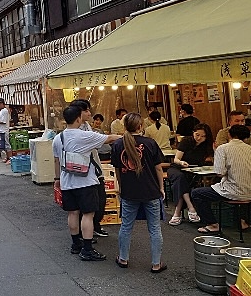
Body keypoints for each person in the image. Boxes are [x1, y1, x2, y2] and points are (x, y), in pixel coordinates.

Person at [52, 105, 120, 261]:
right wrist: (129, 136)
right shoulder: (84, 136)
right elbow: (109, 139)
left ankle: (76, 244)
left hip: (67, 181)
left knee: (73, 213)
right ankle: (87, 249)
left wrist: (57, 180)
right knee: (88, 215)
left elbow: (56, 160)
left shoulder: (58, 138)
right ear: (78, 118)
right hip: (85, 182)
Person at [110, 113, 166, 273]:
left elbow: (118, 170)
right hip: (151, 191)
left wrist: (121, 187)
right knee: (154, 228)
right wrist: (161, 188)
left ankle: (123, 258)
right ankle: (156, 263)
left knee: (126, 227)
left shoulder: (118, 145)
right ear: (140, 126)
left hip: (129, 192)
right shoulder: (150, 143)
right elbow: (158, 168)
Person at [191, 125, 251, 234]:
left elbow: (219, 172)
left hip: (234, 192)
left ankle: (212, 224)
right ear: (247, 138)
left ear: (229, 134)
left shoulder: (223, 148)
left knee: (197, 193)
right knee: (241, 189)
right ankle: (243, 221)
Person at [71, 99, 108, 238]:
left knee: (99, 199)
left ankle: (95, 226)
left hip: (94, 168)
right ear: (78, 113)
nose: (89, 113)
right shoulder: (76, 130)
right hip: (83, 171)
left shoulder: (86, 125)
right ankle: (85, 234)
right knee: (87, 205)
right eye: (86, 110)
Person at [167, 123, 214, 226]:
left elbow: (210, 159)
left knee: (181, 182)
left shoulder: (206, 145)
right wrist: (181, 163)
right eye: (197, 135)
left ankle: (177, 213)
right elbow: (176, 159)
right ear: (193, 133)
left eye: (203, 136)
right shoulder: (186, 141)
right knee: (180, 178)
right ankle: (190, 207)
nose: (199, 138)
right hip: (177, 168)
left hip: (193, 170)